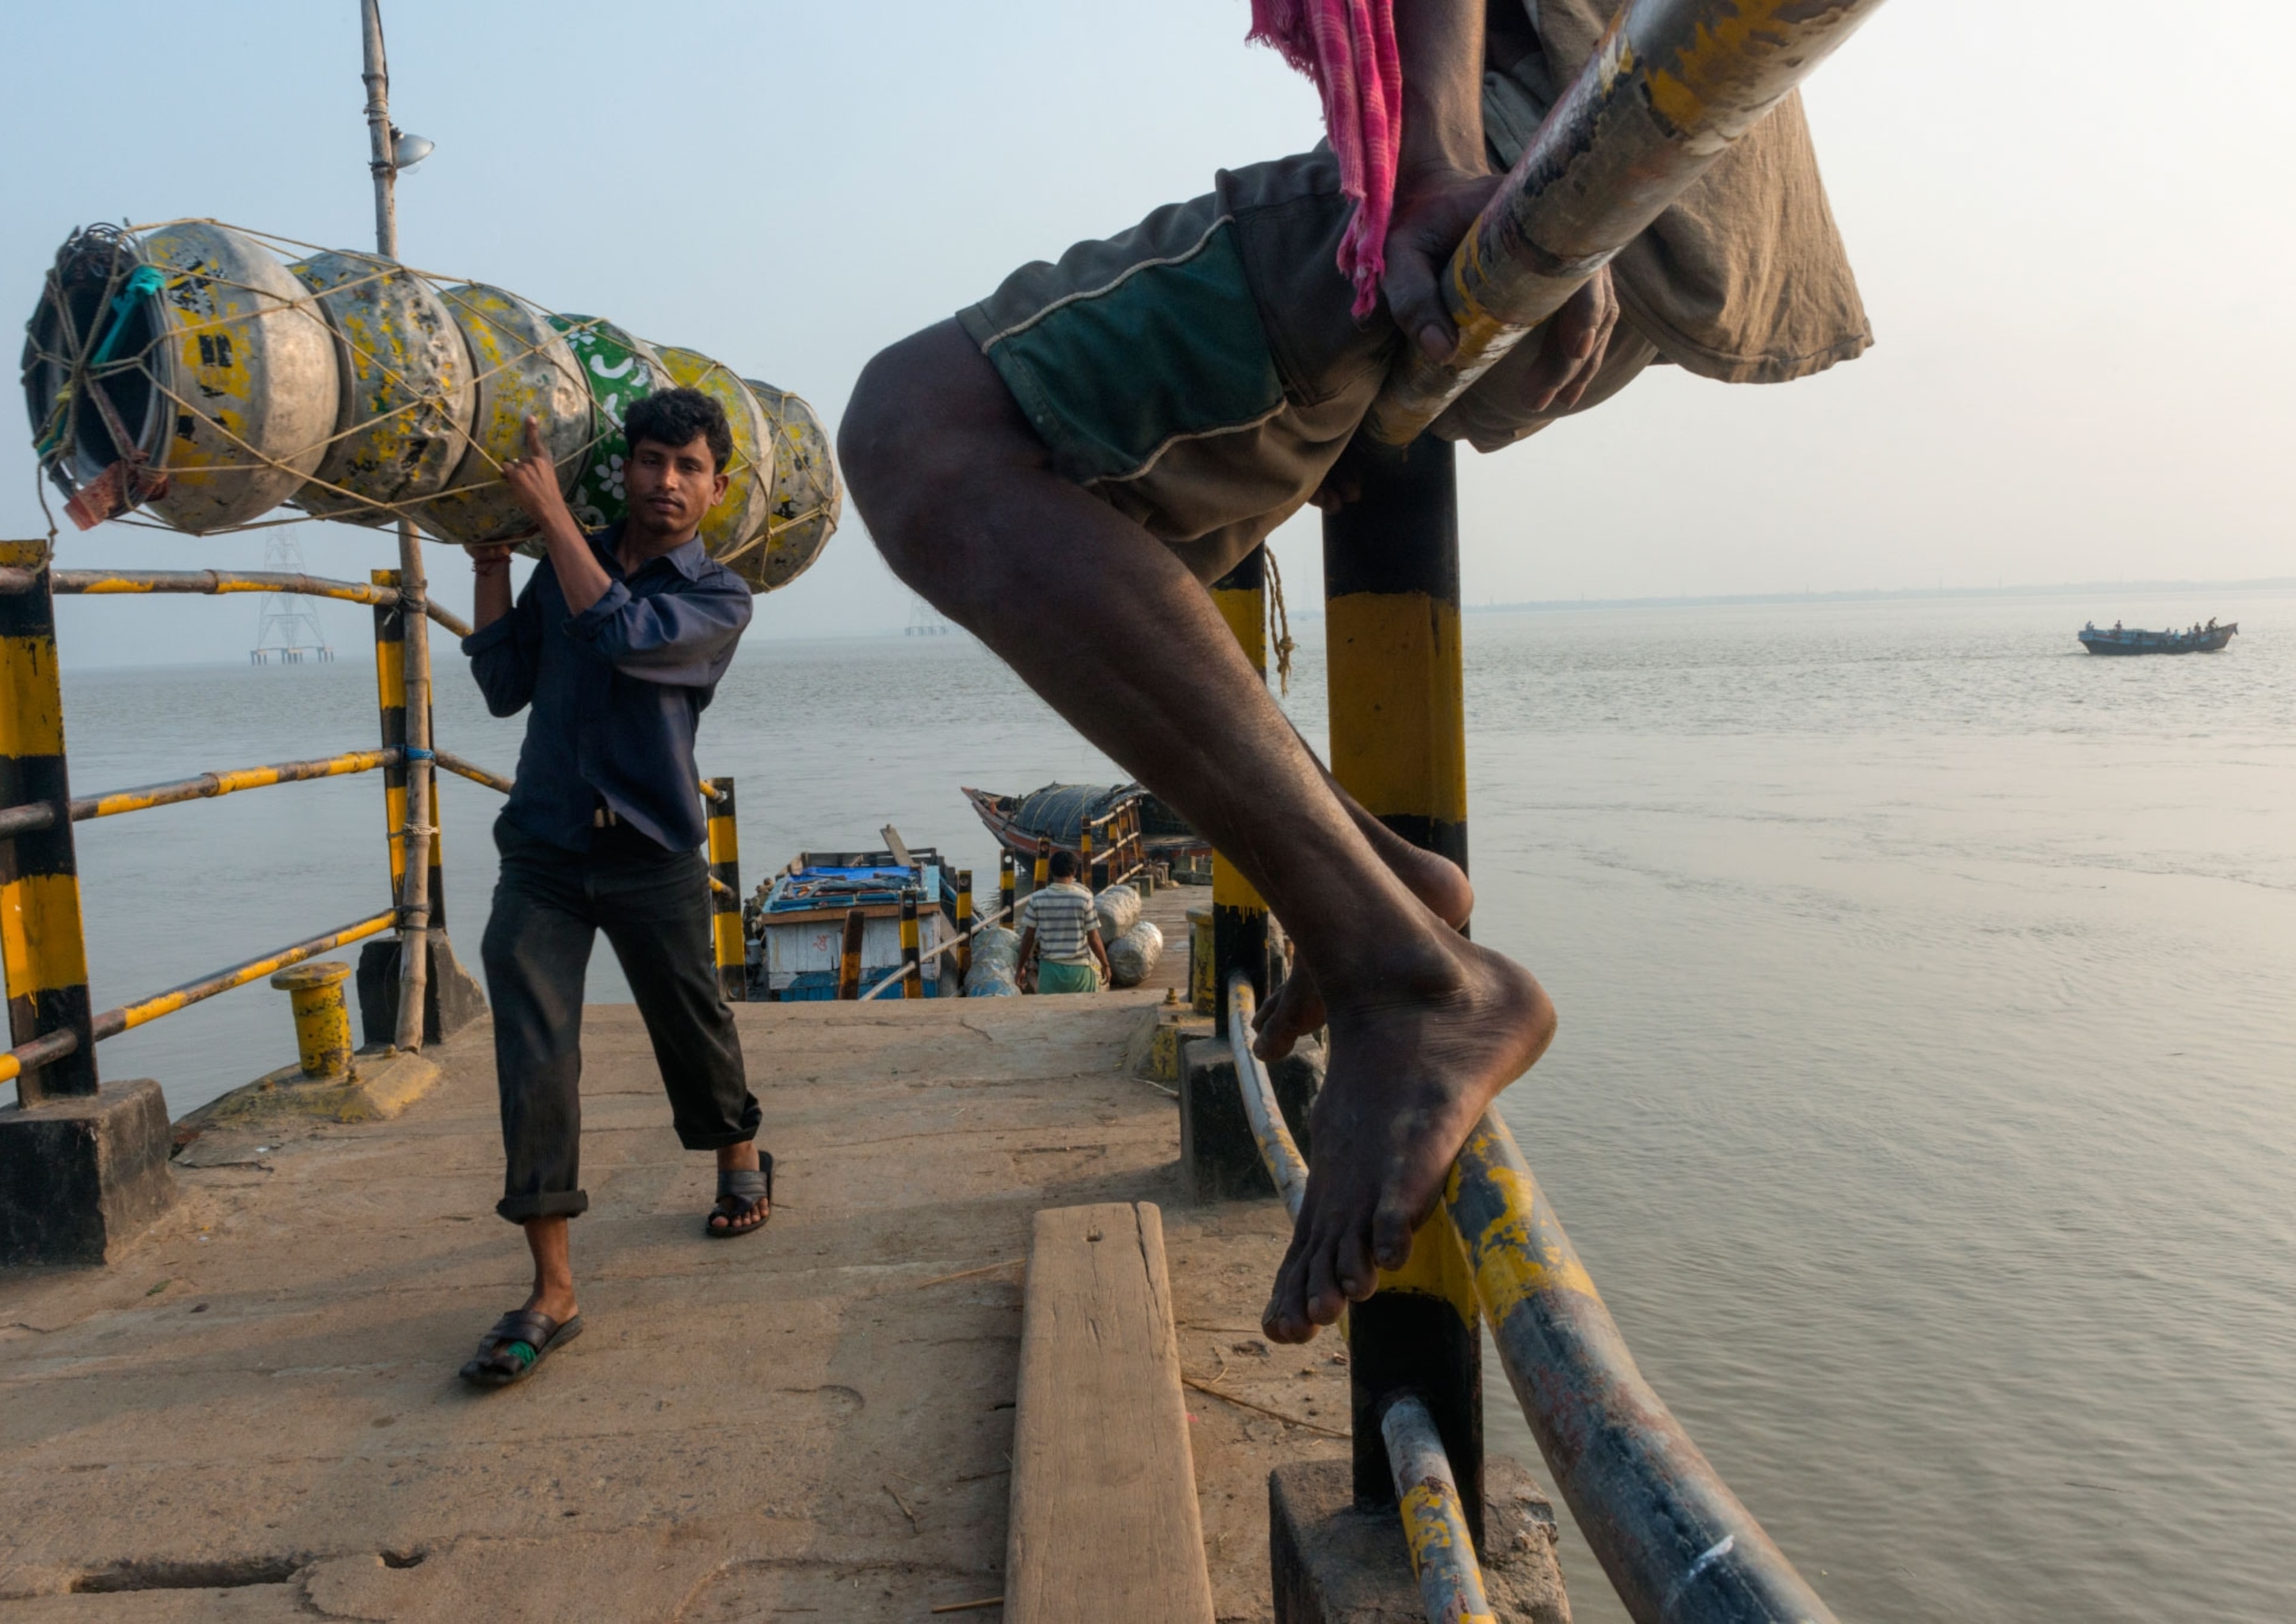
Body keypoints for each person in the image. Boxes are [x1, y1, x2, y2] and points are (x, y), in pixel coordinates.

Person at [840, 2, 1869, 1342]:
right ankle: (1385, 875)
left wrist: (1435, 163)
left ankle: (1405, 969)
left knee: (923, 429)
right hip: (1627, 182)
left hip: (1531, 151)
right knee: (1119, 542)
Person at [454, 388, 768, 1389]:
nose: (666, 482)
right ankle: (552, 1289)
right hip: (544, 847)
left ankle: (737, 1152)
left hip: (652, 848)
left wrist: (550, 522)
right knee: (534, 1047)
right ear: (623, 469)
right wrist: (497, 569)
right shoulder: (561, 562)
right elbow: (506, 687)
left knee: (692, 1021)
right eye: (649, 461)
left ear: (716, 490)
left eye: (687, 468)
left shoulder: (718, 599)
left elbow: (628, 637)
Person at [1016, 846, 1114, 994]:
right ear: (1074, 871)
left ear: (1051, 871)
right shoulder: (1085, 898)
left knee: (1050, 1014)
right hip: (1079, 972)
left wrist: (1020, 968)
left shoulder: (1037, 899)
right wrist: (1105, 965)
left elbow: (1028, 937)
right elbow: (1094, 938)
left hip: (1050, 972)